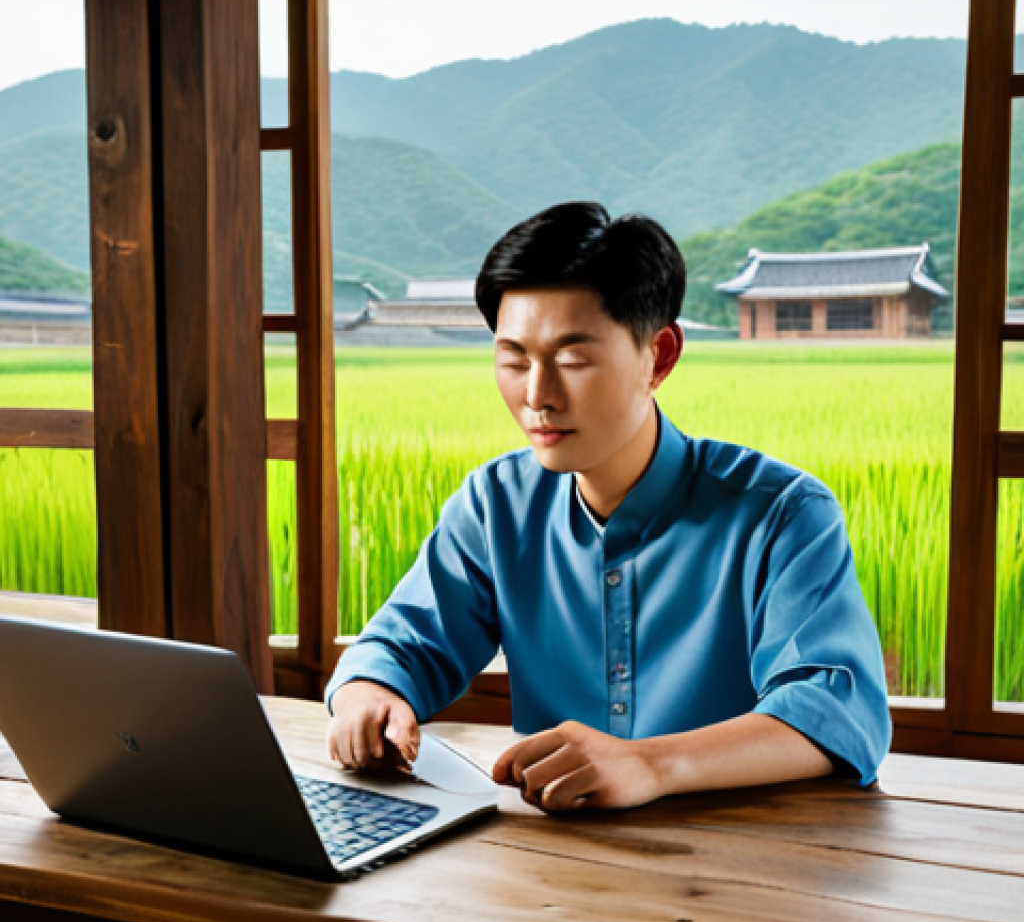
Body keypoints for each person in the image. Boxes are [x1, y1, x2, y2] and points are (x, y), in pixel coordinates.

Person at [325, 201, 892, 808]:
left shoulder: (781, 513)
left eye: (572, 360)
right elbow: (405, 642)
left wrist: (651, 764)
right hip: (552, 862)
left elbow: (834, 713)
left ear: (661, 356)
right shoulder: (496, 504)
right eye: (514, 360)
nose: (537, 397)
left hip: (743, 861)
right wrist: (370, 693)